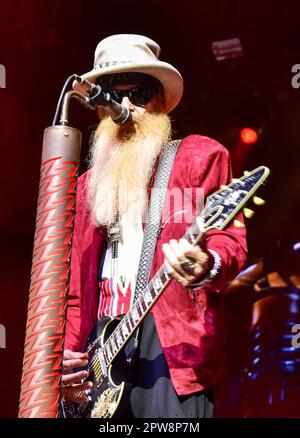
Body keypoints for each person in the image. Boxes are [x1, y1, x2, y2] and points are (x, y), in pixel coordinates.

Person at [61, 34, 247, 418]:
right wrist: (66, 351)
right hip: (99, 352)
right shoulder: (85, 186)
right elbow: (77, 288)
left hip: (169, 344)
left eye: (140, 92)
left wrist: (205, 264)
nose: (126, 105)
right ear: (100, 107)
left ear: (161, 100)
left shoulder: (199, 157)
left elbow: (229, 242)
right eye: (113, 94)